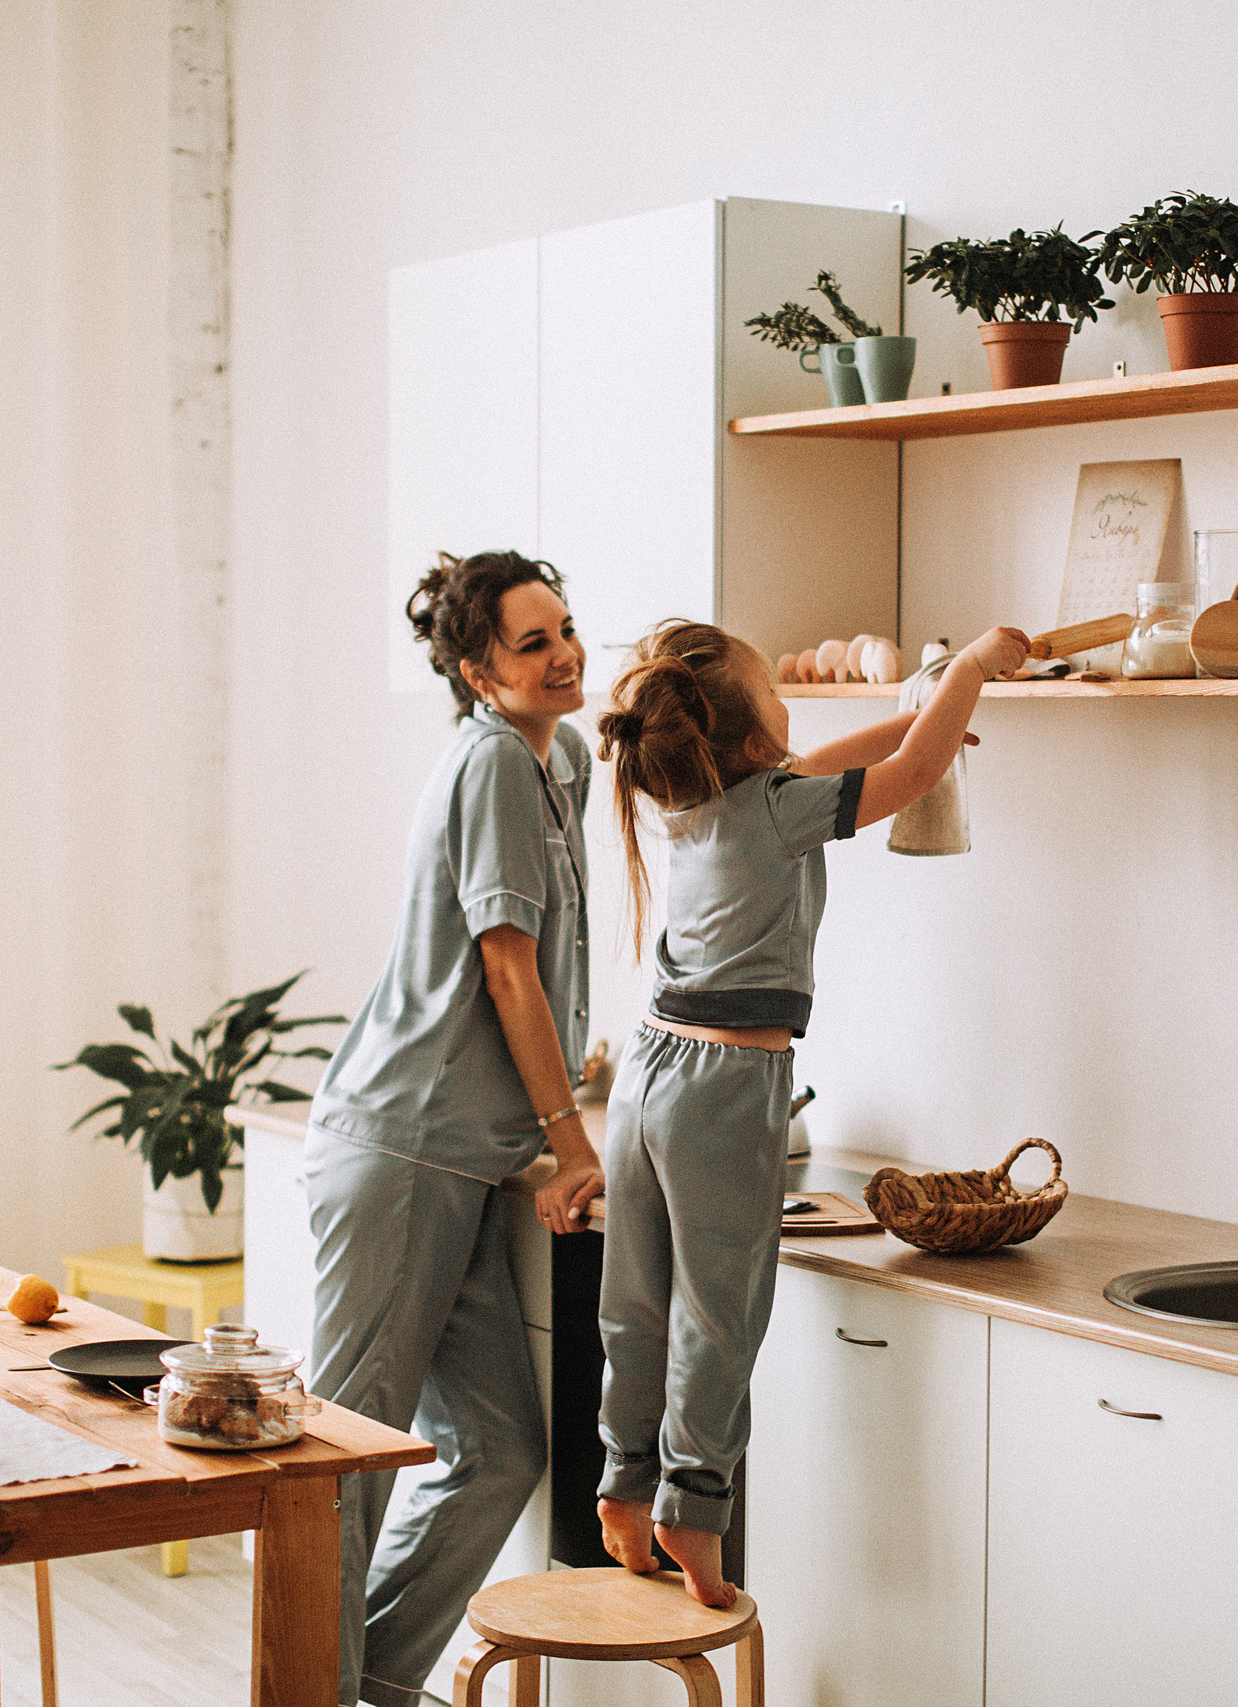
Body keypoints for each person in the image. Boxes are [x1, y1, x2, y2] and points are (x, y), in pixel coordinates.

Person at [590, 618, 1030, 1606]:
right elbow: (913, 774)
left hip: (646, 1071)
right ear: (750, 745)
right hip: (722, 1087)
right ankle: (690, 1507)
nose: (790, 721)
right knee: (718, 1313)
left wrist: (919, 714)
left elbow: (854, 754)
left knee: (635, 1302)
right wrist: (969, 672)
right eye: (772, 698)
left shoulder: (694, 798)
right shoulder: (776, 807)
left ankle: (622, 1484)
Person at [302, 550, 606, 1707]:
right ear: (478, 671)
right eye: (532, 644)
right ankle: (309, 1688)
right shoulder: (489, 762)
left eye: (568, 629)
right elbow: (508, 971)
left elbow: (688, 775)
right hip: (401, 1153)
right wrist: (570, 1138)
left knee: (496, 1452)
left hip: (461, 1162)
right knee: (347, 1462)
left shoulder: (551, 757)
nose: (564, 653)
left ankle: (359, 1683)